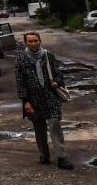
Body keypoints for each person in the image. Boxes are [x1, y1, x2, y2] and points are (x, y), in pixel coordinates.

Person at [16, 31, 71, 169]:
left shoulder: (48, 55)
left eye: (36, 40)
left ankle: (61, 157)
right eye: (30, 41)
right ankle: (44, 155)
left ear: (40, 41)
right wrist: (25, 101)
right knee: (39, 128)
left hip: (50, 96)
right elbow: (20, 81)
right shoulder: (21, 58)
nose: (34, 43)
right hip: (34, 99)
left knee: (54, 124)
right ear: (26, 43)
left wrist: (56, 83)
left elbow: (59, 74)